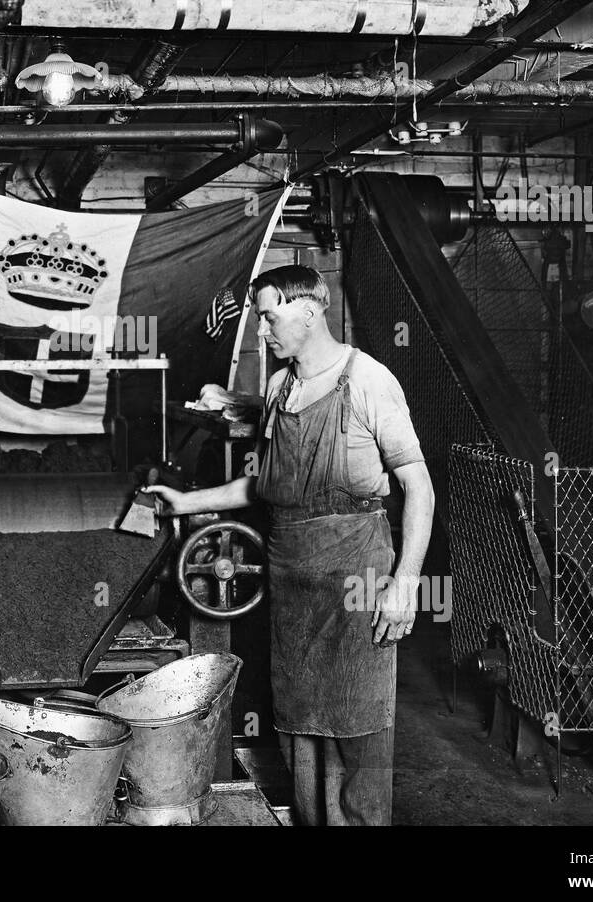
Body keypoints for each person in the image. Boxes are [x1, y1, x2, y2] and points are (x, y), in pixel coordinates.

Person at [146, 265, 433, 826]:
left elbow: (417, 484)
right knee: (299, 722)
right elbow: (269, 483)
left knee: (358, 721)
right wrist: (184, 501)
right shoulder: (280, 388)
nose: (264, 331)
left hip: (357, 572)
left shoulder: (368, 380)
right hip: (291, 570)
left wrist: (406, 581)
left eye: (270, 316)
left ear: (309, 310)